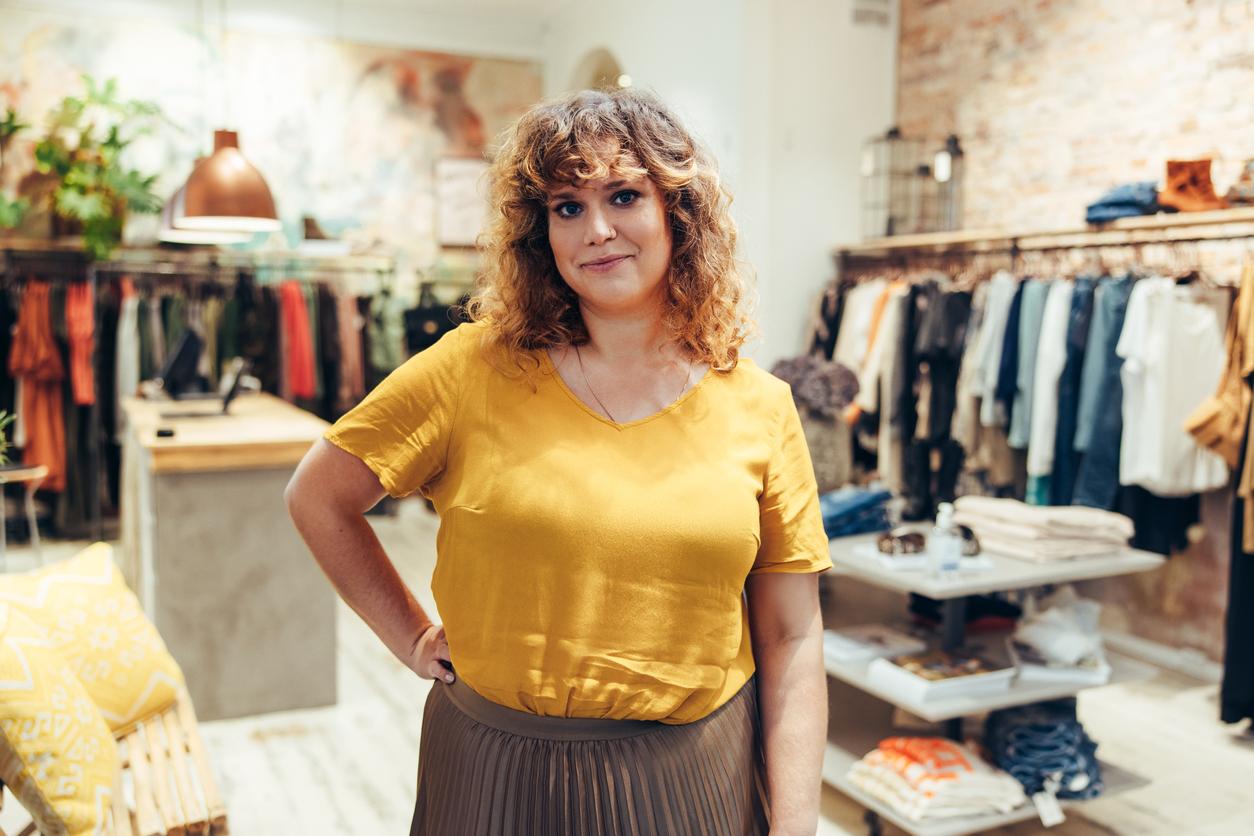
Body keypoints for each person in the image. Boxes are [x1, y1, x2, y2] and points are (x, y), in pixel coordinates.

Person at [285, 87, 832, 835]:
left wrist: (796, 824)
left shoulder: (761, 407)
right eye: (567, 207)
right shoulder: (470, 370)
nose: (598, 229)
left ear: (678, 211)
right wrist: (411, 636)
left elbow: (792, 636)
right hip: (492, 771)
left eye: (623, 195)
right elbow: (318, 496)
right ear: (540, 233)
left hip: (692, 778)